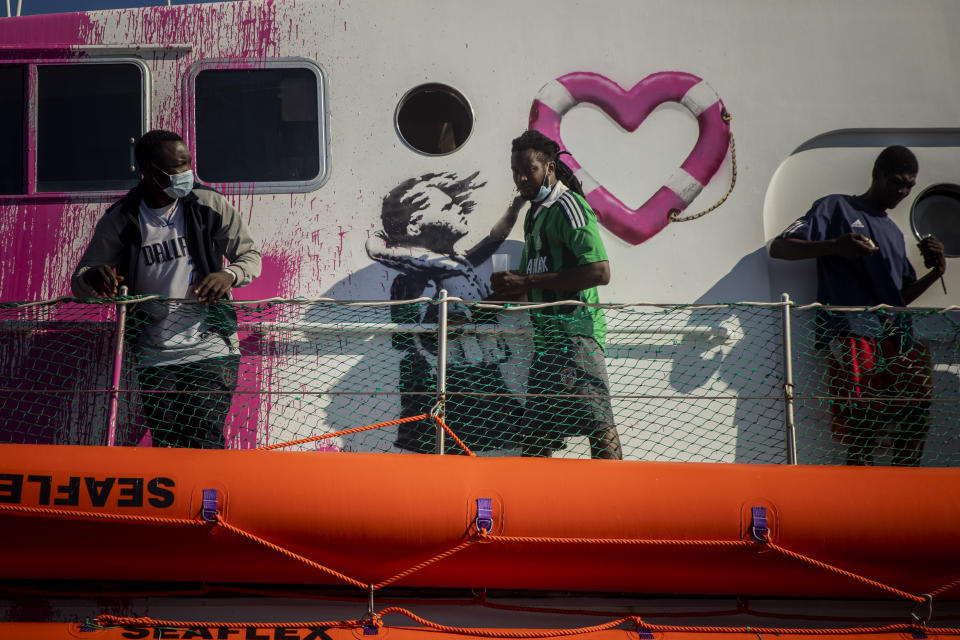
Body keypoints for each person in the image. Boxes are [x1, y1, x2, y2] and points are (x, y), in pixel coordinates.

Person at [71, 129, 261, 448]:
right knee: (167, 443)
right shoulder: (122, 218)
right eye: (177, 167)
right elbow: (81, 281)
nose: (186, 173)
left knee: (203, 439)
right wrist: (94, 278)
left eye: (188, 164)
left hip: (210, 345)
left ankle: (211, 498)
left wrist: (228, 275)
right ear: (148, 170)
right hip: (153, 353)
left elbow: (250, 256)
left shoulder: (208, 204)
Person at [769, 145, 946, 466]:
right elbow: (780, 247)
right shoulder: (836, 207)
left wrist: (936, 273)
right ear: (877, 175)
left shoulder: (893, 232)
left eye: (910, 185)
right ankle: (861, 486)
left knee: (918, 407)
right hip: (852, 332)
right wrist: (834, 246)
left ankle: (903, 483)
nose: (903, 191)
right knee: (865, 416)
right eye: (897, 182)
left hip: (897, 338)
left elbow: (900, 296)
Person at [366, 171, 525, 453]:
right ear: (416, 224)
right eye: (448, 207)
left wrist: (514, 208)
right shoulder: (430, 265)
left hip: (479, 376)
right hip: (455, 382)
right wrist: (380, 246)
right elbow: (390, 255)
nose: (459, 209)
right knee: (454, 444)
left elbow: (494, 239)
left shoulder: (456, 263)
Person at [491, 130, 622, 460]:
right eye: (515, 172)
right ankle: (529, 505)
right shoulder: (534, 214)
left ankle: (617, 499)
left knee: (598, 424)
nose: (521, 179)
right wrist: (488, 302)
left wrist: (526, 281)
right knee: (536, 435)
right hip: (546, 341)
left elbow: (600, 272)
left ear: (549, 167)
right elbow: (529, 283)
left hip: (576, 337)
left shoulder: (570, 206)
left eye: (529, 170)